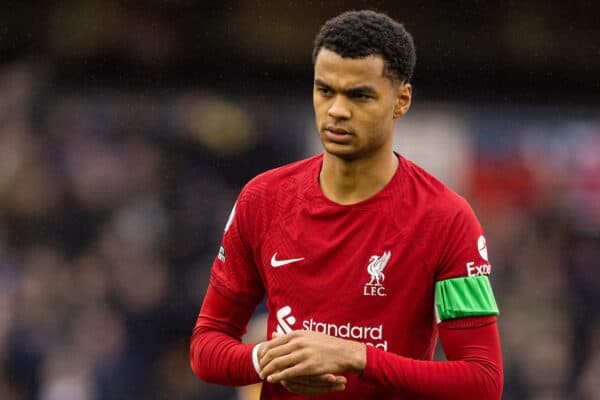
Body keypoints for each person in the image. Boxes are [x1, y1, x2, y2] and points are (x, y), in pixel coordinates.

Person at [190, 9, 503, 399]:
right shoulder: (263, 200)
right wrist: (271, 361)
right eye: (325, 91)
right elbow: (207, 346)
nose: (337, 110)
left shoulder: (447, 219)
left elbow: (483, 381)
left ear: (401, 100)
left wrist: (358, 357)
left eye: (359, 95)